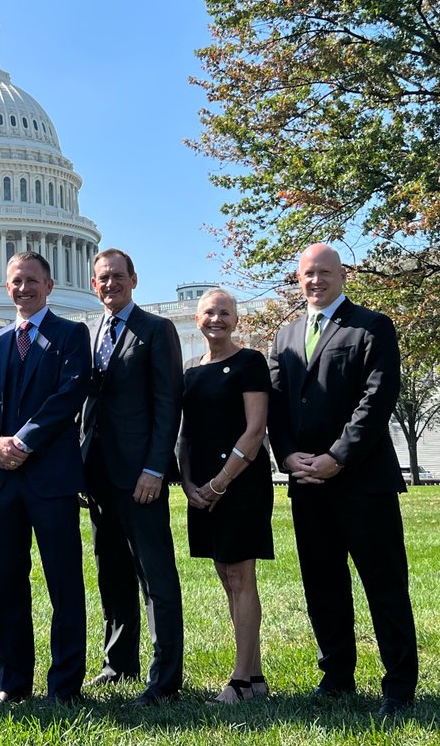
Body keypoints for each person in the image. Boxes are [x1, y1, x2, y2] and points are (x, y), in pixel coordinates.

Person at [268, 244, 418, 721]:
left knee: (384, 584)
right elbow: (276, 404)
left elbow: (377, 401)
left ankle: (398, 685)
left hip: (363, 482)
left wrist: (338, 457)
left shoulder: (371, 326)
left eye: (324, 273)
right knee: (322, 584)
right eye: (308, 274)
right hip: (307, 482)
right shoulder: (286, 335)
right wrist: (287, 455)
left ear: (342, 275)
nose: (316, 281)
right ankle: (336, 676)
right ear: (298, 279)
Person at [0, 252, 93, 705]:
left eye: (32, 281)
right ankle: (12, 681)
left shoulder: (71, 334)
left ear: (49, 285)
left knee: (63, 582)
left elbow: (69, 393)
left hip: (51, 479)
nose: (24, 289)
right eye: (16, 282)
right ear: (7, 288)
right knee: (7, 581)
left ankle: (64, 685)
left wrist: (22, 441)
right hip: (2, 482)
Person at [80, 248, 185, 706]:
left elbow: (168, 404)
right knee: (112, 572)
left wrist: (155, 468)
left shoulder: (156, 330)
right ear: (93, 283)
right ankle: (118, 662)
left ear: (134, 280)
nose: (110, 284)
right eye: (103, 278)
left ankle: (165, 677)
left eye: (118, 277)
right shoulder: (90, 333)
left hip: (141, 474)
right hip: (98, 475)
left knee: (154, 576)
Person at [178, 288, 273, 704]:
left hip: (240, 483)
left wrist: (220, 482)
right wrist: (187, 484)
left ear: (236, 320)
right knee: (225, 577)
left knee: (241, 576)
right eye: (209, 312)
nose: (216, 319)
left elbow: (254, 432)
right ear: (197, 319)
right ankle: (253, 678)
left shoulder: (250, 362)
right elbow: (187, 435)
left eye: (224, 313)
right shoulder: (189, 371)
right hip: (201, 488)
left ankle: (238, 678)